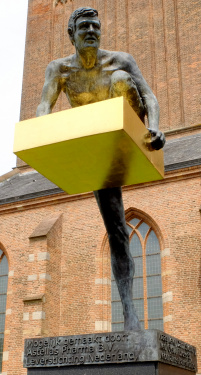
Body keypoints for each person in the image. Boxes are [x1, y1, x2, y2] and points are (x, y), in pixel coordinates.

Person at [36, 7, 165, 331]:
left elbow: (148, 94)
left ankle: (131, 317)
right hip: (98, 148)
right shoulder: (60, 69)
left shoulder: (120, 60)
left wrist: (156, 128)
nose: (91, 30)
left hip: (128, 128)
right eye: (84, 26)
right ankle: (129, 316)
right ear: (72, 34)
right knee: (119, 234)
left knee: (121, 80)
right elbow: (43, 105)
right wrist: (43, 130)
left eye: (96, 25)